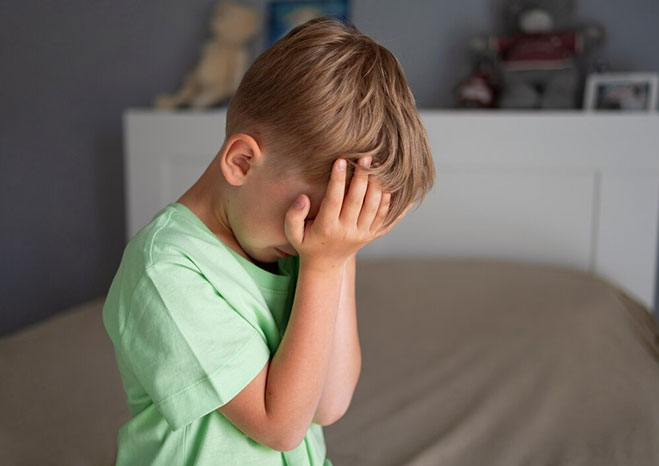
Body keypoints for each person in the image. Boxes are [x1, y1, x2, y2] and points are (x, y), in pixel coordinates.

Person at [102, 16, 435, 466]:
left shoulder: (310, 252)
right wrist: (321, 265)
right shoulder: (165, 268)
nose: (316, 238)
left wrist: (338, 257)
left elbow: (329, 405)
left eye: (338, 223)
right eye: (317, 215)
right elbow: (279, 426)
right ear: (241, 162)